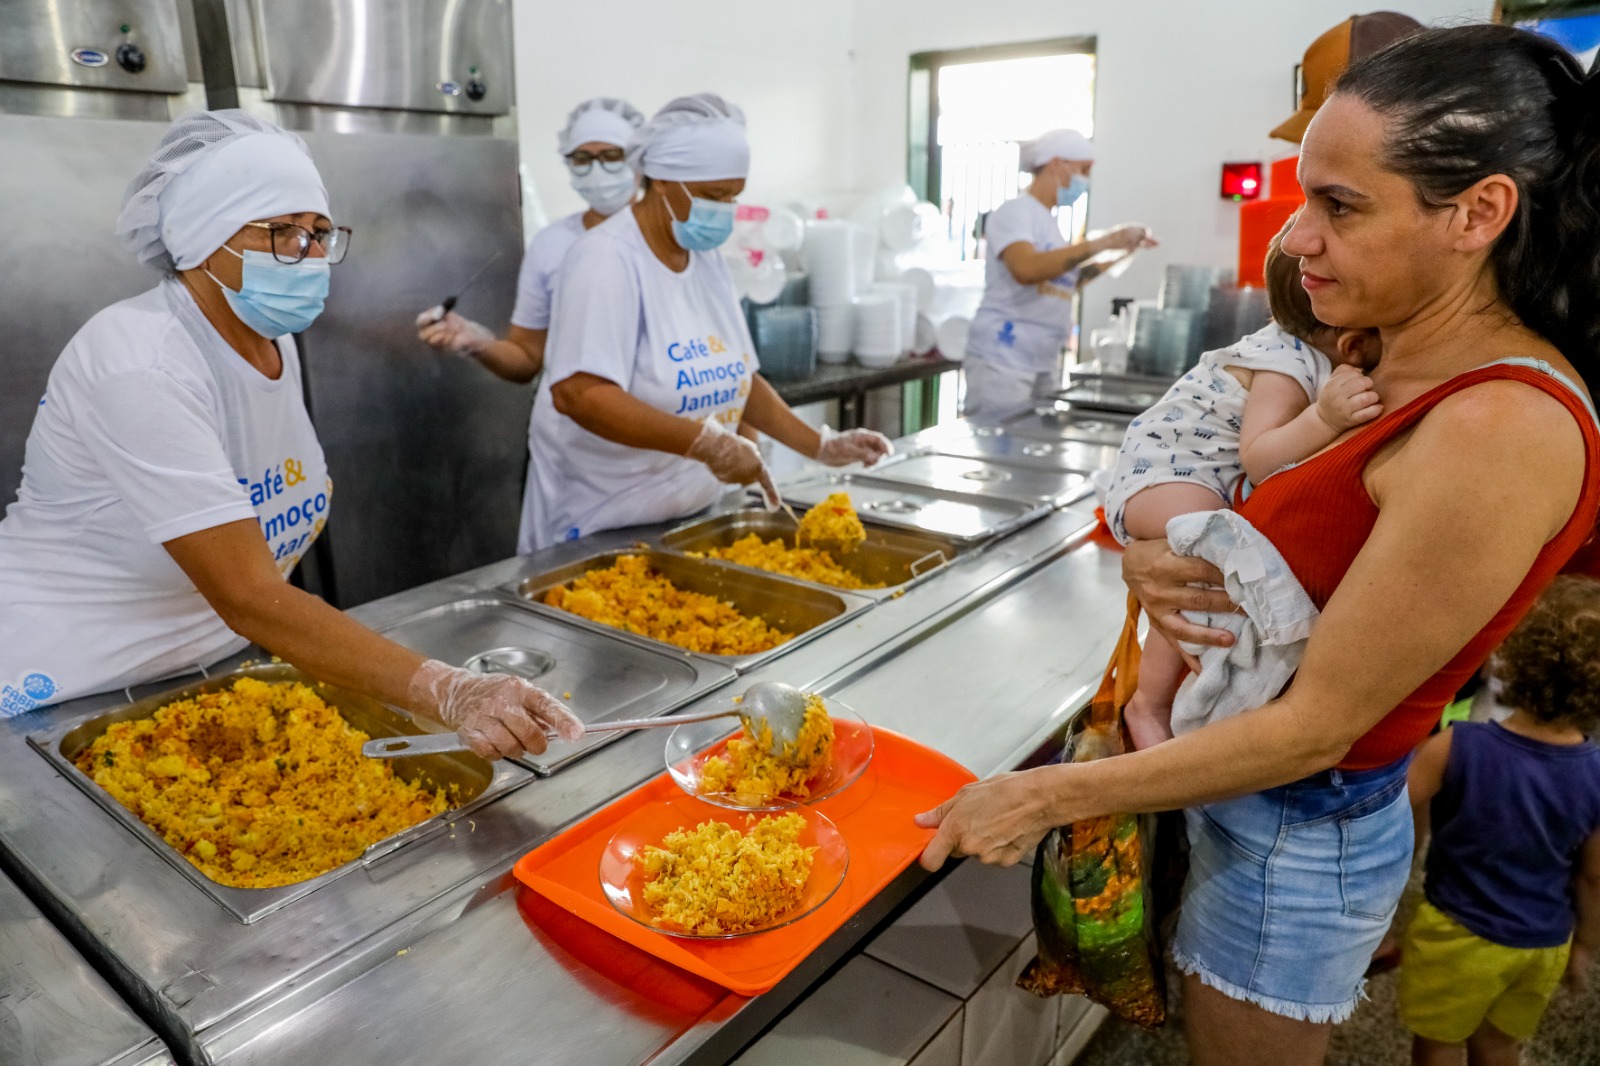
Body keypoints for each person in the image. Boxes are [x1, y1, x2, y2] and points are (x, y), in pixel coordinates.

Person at [914, 26, 1600, 1066]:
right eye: (1302, 197)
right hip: (1248, 803)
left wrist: (1042, 794)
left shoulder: (1497, 426)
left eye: (1339, 205)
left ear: (1478, 212)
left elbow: (1316, 726)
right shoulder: (1386, 352)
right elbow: (1290, 521)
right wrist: (1157, 566)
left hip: (1295, 826)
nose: (1295, 241)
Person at [0, 110, 580, 760]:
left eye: (320, 233)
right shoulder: (139, 360)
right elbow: (248, 592)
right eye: (282, 232)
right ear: (202, 235)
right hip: (61, 694)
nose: (308, 255)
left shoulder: (273, 339)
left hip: (199, 677)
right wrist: (449, 690)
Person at [522, 93, 891, 551]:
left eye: (734, 196)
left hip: (686, 520)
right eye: (714, 196)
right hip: (598, 528)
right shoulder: (605, 260)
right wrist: (706, 444)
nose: (725, 210)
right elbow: (580, 394)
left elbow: (738, 376)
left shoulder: (706, 258)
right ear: (660, 181)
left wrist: (819, 445)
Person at [1109, 222, 1382, 750]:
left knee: (1205, 566)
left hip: (1184, 474)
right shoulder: (1286, 362)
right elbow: (1261, 459)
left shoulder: (1303, 355)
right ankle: (1151, 704)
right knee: (1200, 568)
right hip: (1167, 473)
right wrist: (1326, 417)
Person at [1397, 576, 1600, 1066]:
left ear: (1509, 658)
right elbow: (1593, 875)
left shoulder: (1456, 746)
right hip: (1543, 942)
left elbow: (1386, 813)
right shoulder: (1597, 775)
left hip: (1457, 933)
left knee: (1439, 1043)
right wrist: (1585, 946)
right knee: (1498, 1044)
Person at [415, 96, 645, 383]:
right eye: (583, 158)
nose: (597, 170)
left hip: (659, 422)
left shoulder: (667, 240)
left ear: (639, 162)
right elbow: (526, 360)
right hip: (564, 425)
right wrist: (478, 343)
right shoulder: (552, 243)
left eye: (612, 156)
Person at [962, 128, 1156, 419]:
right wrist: (1106, 240)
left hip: (1040, 358)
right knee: (996, 442)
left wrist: (1122, 251)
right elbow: (1026, 269)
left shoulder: (1048, 223)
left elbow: (1067, 280)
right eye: (1083, 170)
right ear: (1056, 164)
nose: (1085, 181)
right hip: (1004, 358)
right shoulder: (1015, 212)